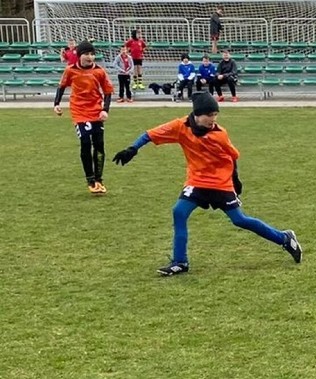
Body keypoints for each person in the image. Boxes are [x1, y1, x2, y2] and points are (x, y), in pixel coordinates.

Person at [111, 92, 303, 276]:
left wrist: (235, 179)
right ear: (197, 115)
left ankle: (285, 238)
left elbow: (233, 156)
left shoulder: (219, 134)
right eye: (209, 115)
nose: (213, 119)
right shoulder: (180, 126)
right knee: (179, 212)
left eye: (215, 114)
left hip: (220, 182)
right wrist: (132, 149)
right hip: (197, 181)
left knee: (239, 220)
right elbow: (150, 134)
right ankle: (180, 262)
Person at [53, 41, 115, 194]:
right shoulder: (70, 70)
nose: (90, 57)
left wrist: (105, 110)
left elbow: (108, 91)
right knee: (86, 142)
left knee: (99, 144)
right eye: (86, 54)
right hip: (79, 111)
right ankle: (90, 179)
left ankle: (99, 179)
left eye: (92, 54)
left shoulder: (99, 71)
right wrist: (56, 104)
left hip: (96, 111)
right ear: (80, 55)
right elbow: (61, 86)